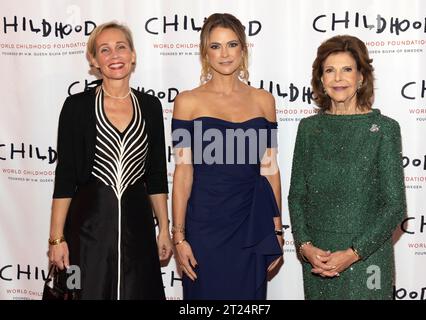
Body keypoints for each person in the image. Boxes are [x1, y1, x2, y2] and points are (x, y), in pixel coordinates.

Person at [48, 21, 171, 300]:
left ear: (133, 55)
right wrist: (57, 238)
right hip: (85, 234)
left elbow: (155, 175)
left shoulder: (150, 107)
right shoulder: (76, 107)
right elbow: (65, 177)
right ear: (94, 60)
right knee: (78, 292)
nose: (114, 56)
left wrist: (164, 228)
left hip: (137, 231)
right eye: (105, 50)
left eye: (121, 47)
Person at [171, 13, 283, 300]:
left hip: (251, 224)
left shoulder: (263, 100)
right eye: (216, 46)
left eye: (232, 45)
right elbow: (184, 172)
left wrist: (277, 229)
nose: (224, 54)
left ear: (243, 49)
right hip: (204, 225)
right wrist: (179, 236)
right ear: (204, 52)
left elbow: (270, 168)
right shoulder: (187, 102)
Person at [288, 35, 406, 300]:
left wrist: (354, 253)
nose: (338, 78)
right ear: (321, 79)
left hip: (369, 259)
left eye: (347, 69)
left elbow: (394, 206)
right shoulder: (309, 129)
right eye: (329, 70)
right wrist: (305, 247)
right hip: (320, 260)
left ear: (361, 77)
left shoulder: (384, 129)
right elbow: (297, 195)